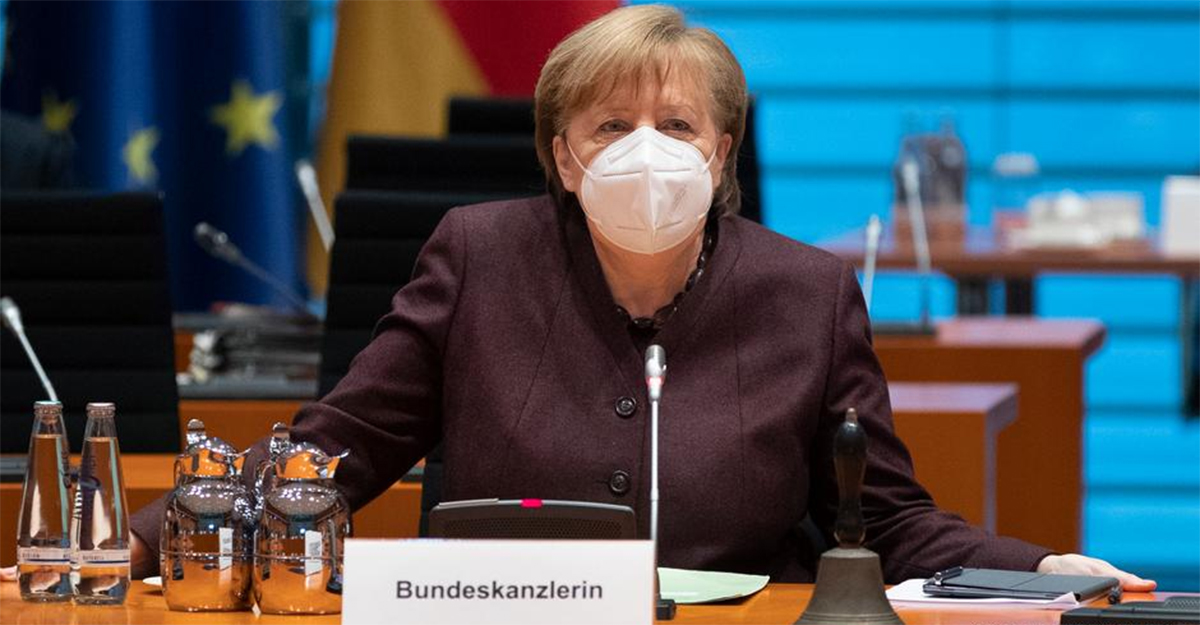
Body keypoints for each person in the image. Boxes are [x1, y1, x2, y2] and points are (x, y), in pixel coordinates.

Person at [2, 4, 1153, 589]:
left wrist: (1040, 567)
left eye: (677, 124)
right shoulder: (479, 257)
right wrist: (125, 546)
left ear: (722, 152)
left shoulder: (806, 293)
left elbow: (888, 521)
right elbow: (327, 456)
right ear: (561, 153)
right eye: (611, 125)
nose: (646, 149)